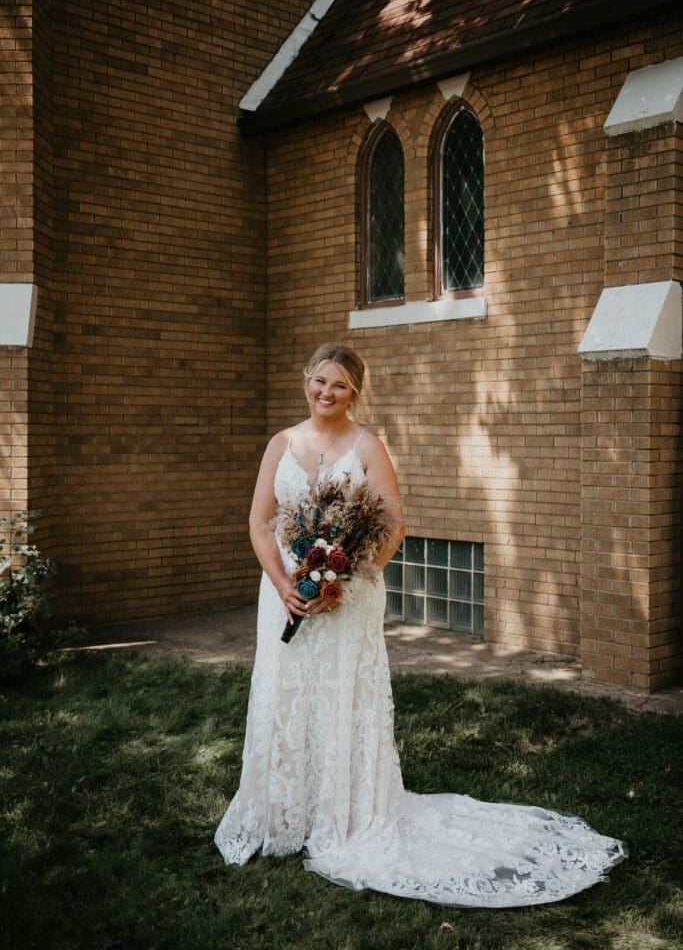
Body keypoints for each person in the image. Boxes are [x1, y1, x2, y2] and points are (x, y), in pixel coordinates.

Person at [214, 343, 626, 907]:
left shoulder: (367, 445)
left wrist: (346, 581)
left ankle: (345, 812)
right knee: (285, 693)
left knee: (340, 695)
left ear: (354, 392)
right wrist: (285, 584)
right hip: (284, 595)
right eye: (319, 381)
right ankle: (285, 812)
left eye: (339, 385)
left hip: (346, 598)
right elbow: (260, 522)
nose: (326, 393)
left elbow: (393, 526)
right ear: (305, 380)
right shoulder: (280, 443)